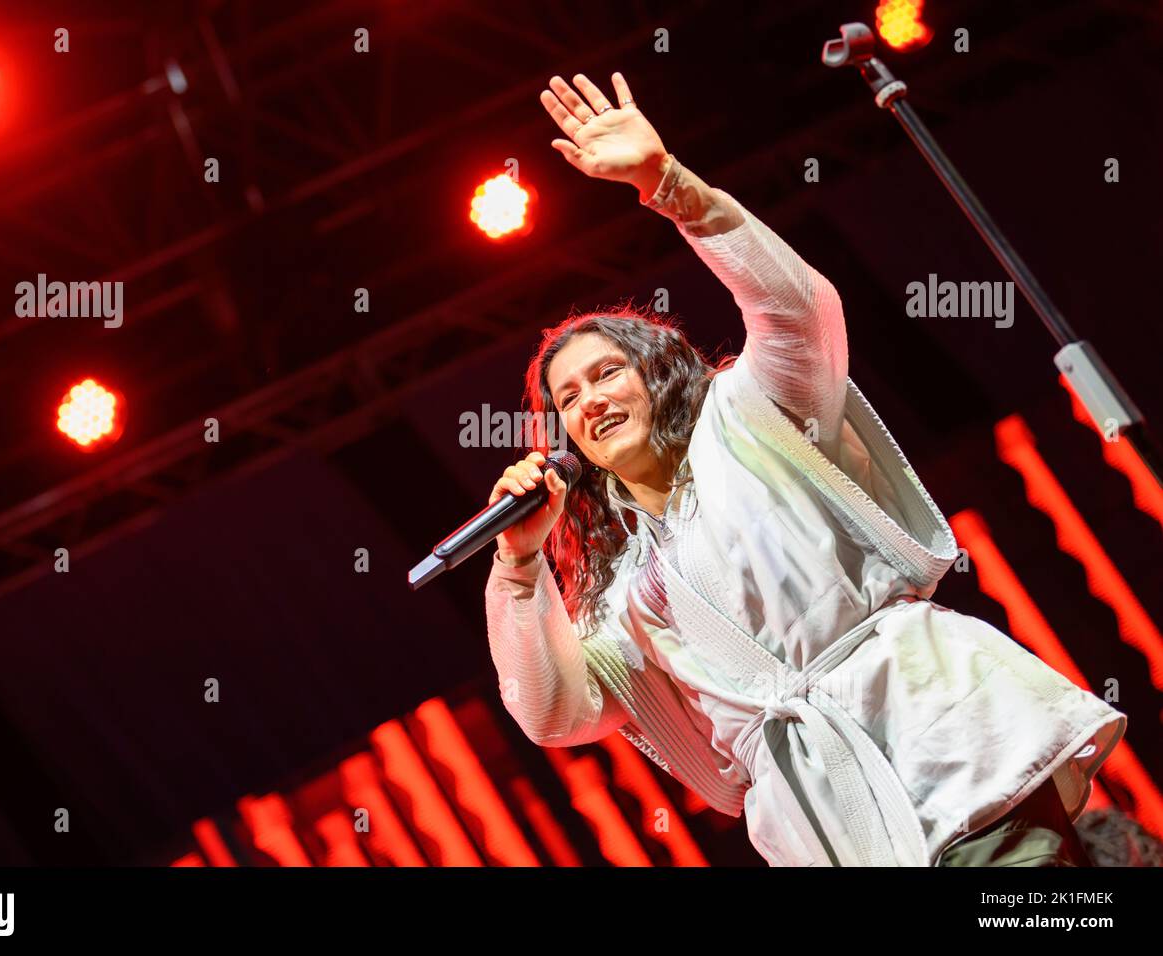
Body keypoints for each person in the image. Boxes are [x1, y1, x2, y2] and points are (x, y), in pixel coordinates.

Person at [483, 71, 1127, 867]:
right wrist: (517, 570)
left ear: (657, 373)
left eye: (607, 373)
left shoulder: (749, 415)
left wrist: (667, 184)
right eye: (567, 397)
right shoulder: (619, 588)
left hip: (945, 749)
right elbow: (556, 713)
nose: (588, 401)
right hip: (835, 828)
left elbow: (800, 310)